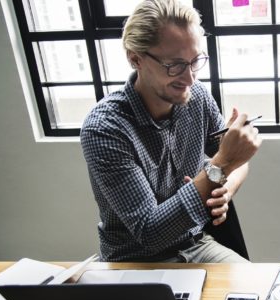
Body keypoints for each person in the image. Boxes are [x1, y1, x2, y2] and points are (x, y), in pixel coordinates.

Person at [80, 0, 261, 262]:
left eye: (195, 61)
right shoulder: (105, 129)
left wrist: (225, 190)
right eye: (174, 65)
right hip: (134, 260)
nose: (189, 79)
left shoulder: (196, 96)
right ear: (135, 58)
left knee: (255, 290)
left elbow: (235, 164)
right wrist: (221, 165)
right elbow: (151, 233)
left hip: (196, 243)